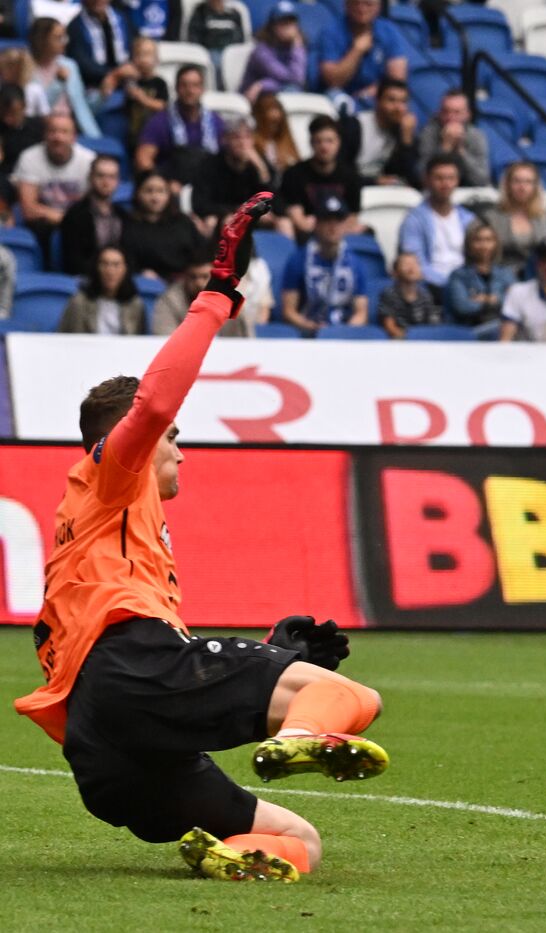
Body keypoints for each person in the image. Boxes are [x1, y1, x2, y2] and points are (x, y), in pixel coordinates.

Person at [15, 193, 388, 885]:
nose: (180, 450)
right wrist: (217, 294)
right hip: (133, 675)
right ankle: (300, 737)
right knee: (352, 696)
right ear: (132, 438)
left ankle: (231, 852)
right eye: (173, 440)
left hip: (107, 753)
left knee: (298, 838)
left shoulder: (100, 525)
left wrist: (270, 657)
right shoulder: (113, 474)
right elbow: (156, 402)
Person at [13, 113, 95, 266]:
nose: (58, 137)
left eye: (64, 132)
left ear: (74, 137)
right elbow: (29, 210)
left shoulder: (88, 161)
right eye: (53, 131)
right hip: (41, 225)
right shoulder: (29, 158)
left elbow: (93, 206)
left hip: (78, 223)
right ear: (45, 135)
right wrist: (66, 219)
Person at [281, 195, 369, 334]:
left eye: (338, 221)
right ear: (316, 224)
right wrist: (311, 327)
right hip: (307, 334)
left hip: (344, 334)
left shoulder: (355, 263)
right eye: (327, 220)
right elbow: (289, 311)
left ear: (345, 225)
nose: (333, 227)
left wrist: (344, 332)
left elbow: (361, 313)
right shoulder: (298, 260)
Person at [397, 155, 476, 296]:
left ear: (457, 181)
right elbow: (415, 263)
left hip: (467, 286)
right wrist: (451, 286)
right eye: (439, 178)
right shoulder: (414, 219)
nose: (445, 184)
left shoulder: (468, 218)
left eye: (451, 178)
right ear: (427, 180)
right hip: (430, 287)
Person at [135, 64, 224, 188]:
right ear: (176, 88)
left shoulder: (215, 121)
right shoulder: (160, 121)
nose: (190, 90)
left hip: (209, 188)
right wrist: (163, 185)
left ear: (202, 89)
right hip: (172, 188)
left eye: (195, 85)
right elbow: (143, 160)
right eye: (184, 85)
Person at [277, 115, 362, 241]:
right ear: (311, 143)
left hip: (340, 234)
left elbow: (352, 218)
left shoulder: (351, 175)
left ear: (339, 143)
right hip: (306, 237)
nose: (324, 147)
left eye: (329, 141)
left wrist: (332, 229)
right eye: (318, 141)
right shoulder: (294, 174)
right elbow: (299, 220)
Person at [191, 117, 275, 238]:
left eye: (247, 138)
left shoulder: (260, 164)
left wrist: (262, 170)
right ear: (225, 140)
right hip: (223, 216)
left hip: (254, 216)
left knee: (283, 223)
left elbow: (274, 201)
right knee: (229, 221)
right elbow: (200, 204)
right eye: (236, 138)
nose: (242, 143)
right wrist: (239, 211)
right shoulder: (210, 165)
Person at [317, 0, 408, 106]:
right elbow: (333, 81)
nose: (362, 9)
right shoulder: (331, 32)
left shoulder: (389, 31)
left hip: (376, 97)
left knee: (396, 101)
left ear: (378, 7)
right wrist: (357, 50)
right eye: (356, 3)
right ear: (346, 5)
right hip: (342, 99)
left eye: (368, 4)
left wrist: (372, 92)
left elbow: (397, 79)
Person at [122, 170, 207, 282]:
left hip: (187, 283)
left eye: (161, 191)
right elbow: (126, 260)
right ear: (137, 193)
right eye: (148, 191)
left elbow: (202, 253)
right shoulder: (129, 225)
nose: (155, 198)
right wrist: (139, 272)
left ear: (169, 194)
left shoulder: (183, 222)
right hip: (148, 283)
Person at [26, 16, 102, 138]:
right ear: (41, 40)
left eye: (64, 37)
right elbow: (37, 110)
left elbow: (82, 106)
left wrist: (102, 94)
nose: (65, 42)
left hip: (75, 128)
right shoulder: (27, 69)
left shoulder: (70, 65)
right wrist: (58, 83)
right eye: (58, 38)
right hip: (42, 132)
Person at [154, 250, 255, 337]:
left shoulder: (231, 301)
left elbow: (246, 342)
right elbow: (164, 340)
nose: (199, 283)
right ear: (184, 277)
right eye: (193, 277)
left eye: (205, 276)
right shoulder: (170, 300)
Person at [59, 154, 126, 276]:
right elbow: (73, 261)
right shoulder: (75, 215)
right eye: (101, 176)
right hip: (87, 281)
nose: (106, 182)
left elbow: (129, 256)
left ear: (118, 181)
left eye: (112, 177)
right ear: (90, 178)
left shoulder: (123, 216)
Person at [345, 77, 418, 187]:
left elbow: (410, 177)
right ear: (377, 101)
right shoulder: (355, 126)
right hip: (354, 188)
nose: (398, 108)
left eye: (403, 102)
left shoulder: (402, 131)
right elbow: (340, 172)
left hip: (383, 192)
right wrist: (373, 181)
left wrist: (406, 141)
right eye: (391, 100)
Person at [445, 219, 512, 338]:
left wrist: (484, 299)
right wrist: (495, 301)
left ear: (496, 243)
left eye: (488, 240)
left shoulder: (505, 274)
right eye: (478, 240)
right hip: (468, 331)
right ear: (469, 244)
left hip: (499, 330)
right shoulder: (458, 276)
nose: (484, 246)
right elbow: (463, 307)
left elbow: (514, 303)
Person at [482, 161, 546, 278]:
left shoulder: (545, 218)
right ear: (507, 184)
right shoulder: (490, 218)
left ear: (536, 186)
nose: (522, 187)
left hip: (537, 278)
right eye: (517, 181)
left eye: (528, 182)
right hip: (499, 278)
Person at [59, 246, 145, 333]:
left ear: (126, 269)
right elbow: (70, 340)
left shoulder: (135, 305)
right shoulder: (79, 303)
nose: (110, 271)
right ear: (96, 268)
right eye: (104, 264)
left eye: (116, 265)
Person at [415, 88, 489, 189]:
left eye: (457, 112)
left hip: (467, 191)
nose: (451, 117)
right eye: (446, 112)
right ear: (439, 113)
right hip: (435, 192)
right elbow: (421, 178)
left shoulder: (476, 136)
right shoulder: (428, 133)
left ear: (468, 115)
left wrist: (461, 152)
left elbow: (482, 180)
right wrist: (445, 148)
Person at [241, 1, 307, 100]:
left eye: (291, 22)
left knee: (293, 90)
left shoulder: (295, 48)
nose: (288, 27)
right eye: (283, 23)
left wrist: (262, 84)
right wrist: (264, 85)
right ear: (273, 26)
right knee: (291, 91)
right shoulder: (262, 50)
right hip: (252, 97)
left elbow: (298, 79)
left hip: (276, 91)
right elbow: (287, 78)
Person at [66, 0, 131, 94]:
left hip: (126, 78)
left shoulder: (122, 18)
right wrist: (114, 74)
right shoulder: (75, 27)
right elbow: (82, 62)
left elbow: (133, 46)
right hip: (93, 85)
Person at [119, 36, 167, 151]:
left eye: (148, 54)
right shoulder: (129, 81)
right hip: (131, 132)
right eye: (139, 54)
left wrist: (143, 98)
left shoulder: (159, 83)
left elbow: (162, 106)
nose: (143, 59)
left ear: (157, 59)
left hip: (153, 134)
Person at [378, 252, 441, 338]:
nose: (411, 268)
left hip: (423, 341)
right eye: (406, 264)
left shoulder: (426, 295)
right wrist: (408, 340)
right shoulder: (389, 294)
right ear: (395, 272)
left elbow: (433, 325)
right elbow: (390, 326)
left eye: (415, 264)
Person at [187, 0, 245, 86]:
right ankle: (221, 90)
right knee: (217, 61)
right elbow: (194, 36)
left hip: (230, 52)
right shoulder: (200, 12)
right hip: (210, 51)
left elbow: (240, 38)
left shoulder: (234, 13)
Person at [250, 91, 299, 186]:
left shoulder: (287, 141)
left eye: (277, 123)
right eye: (270, 122)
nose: (275, 117)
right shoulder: (252, 143)